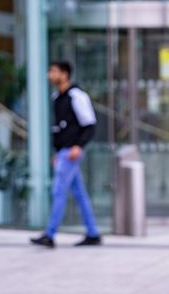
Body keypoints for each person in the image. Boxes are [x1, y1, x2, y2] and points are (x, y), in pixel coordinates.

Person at [30, 61, 102, 248]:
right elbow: (59, 129)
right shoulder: (57, 97)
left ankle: (50, 234)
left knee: (58, 191)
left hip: (71, 152)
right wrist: (57, 152)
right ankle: (93, 232)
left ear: (65, 74)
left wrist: (79, 146)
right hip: (63, 152)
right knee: (79, 194)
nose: (49, 75)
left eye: (53, 71)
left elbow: (90, 125)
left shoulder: (76, 96)